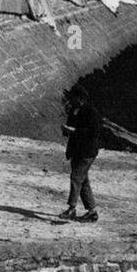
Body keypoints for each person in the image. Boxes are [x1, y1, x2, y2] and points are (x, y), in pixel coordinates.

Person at [60, 84, 100, 222]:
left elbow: (93, 133)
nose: (70, 100)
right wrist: (66, 130)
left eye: (72, 98)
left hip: (87, 151)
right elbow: (71, 130)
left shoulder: (91, 111)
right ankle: (92, 211)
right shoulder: (73, 110)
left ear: (80, 98)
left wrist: (73, 131)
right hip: (77, 150)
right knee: (83, 180)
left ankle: (71, 209)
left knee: (76, 178)